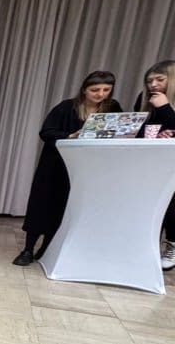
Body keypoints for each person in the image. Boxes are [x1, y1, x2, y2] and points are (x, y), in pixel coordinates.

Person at [13, 71, 120, 266]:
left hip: (87, 168)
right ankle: (28, 249)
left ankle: (47, 248)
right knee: (42, 205)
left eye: (106, 90)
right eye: (95, 90)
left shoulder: (112, 108)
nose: (100, 94)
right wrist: (70, 136)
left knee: (65, 208)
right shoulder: (66, 107)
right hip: (56, 166)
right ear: (84, 89)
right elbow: (46, 132)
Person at [132, 60, 175, 270]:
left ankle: (172, 244)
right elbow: (136, 129)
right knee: (149, 204)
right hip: (151, 161)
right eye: (149, 81)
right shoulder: (145, 99)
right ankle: (145, 248)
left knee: (171, 205)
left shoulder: (162, 103)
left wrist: (165, 107)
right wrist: (158, 134)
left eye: (159, 79)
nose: (153, 85)